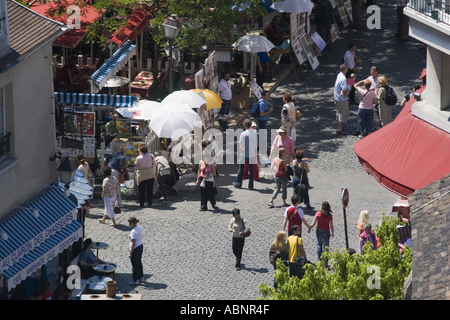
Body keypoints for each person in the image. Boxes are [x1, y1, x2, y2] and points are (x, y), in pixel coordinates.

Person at [233, 119, 257, 190]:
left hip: (244, 154)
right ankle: (251, 185)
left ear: (244, 125)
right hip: (252, 153)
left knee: (241, 169)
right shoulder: (254, 133)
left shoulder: (243, 134)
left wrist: (240, 152)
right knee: (251, 170)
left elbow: (241, 145)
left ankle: (238, 183)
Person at [197, 146, 217, 211]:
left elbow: (214, 172)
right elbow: (199, 171)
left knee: (210, 193)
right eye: (202, 156)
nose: (202, 157)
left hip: (209, 180)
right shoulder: (201, 162)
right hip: (203, 179)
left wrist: (210, 175)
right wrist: (197, 179)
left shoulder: (211, 163)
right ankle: (203, 206)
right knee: (203, 193)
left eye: (204, 156)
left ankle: (213, 202)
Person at [334, 64, 351, 135]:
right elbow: (344, 89)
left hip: (336, 97)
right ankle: (339, 128)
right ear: (345, 69)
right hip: (341, 99)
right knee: (342, 113)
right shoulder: (343, 79)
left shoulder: (339, 74)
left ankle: (339, 126)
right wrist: (350, 88)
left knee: (338, 112)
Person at [128, 217, 144, 285]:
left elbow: (133, 243)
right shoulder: (139, 228)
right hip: (140, 246)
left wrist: (130, 253)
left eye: (129, 223)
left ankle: (136, 280)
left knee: (134, 265)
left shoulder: (133, 232)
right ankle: (141, 277)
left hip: (135, 249)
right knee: (139, 262)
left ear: (132, 223)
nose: (129, 225)